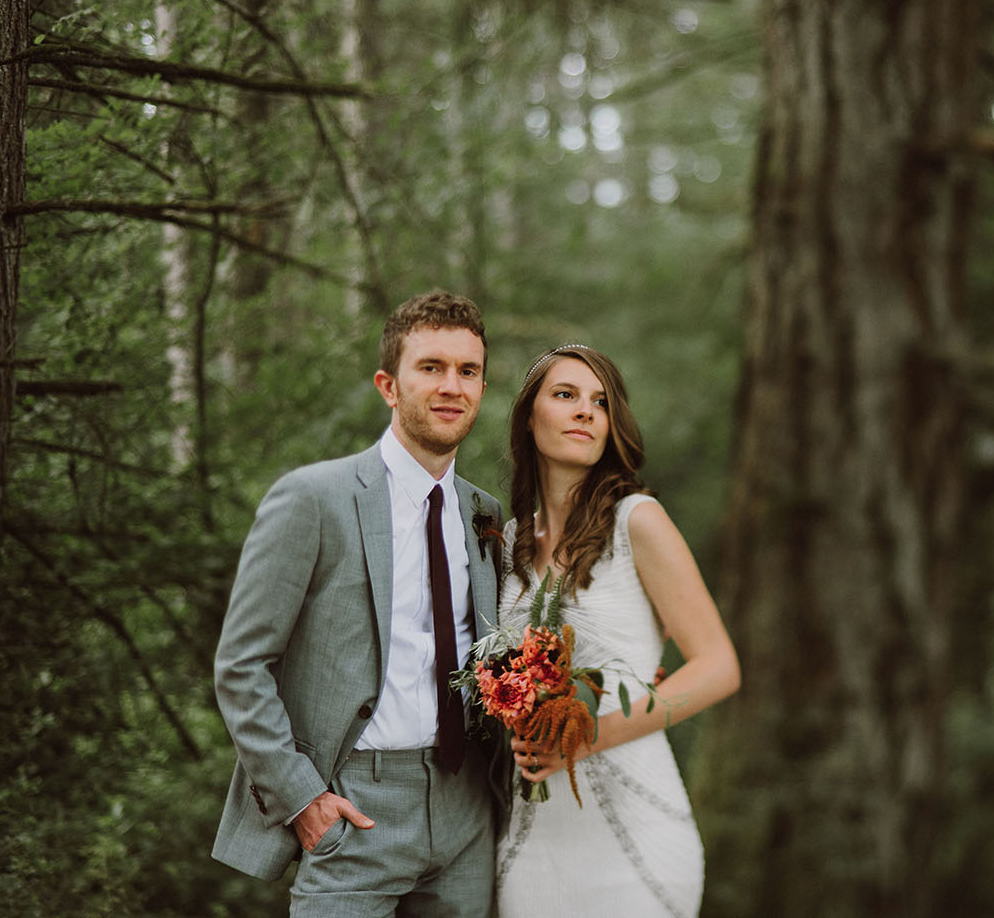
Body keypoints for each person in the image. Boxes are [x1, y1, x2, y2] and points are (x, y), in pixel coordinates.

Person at [212, 290, 506, 917]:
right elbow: (241, 666)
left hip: (467, 813)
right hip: (356, 809)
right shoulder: (313, 498)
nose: (452, 385)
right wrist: (302, 797)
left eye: (468, 370)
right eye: (431, 367)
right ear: (388, 385)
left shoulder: (485, 514)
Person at [494, 343, 741, 918]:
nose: (585, 411)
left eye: (600, 403)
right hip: (531, 842)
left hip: (635, 840)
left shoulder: (638, 522)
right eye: (565, 395)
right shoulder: (508, 544)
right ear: (529, 417)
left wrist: (586, 734)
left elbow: (718, 666)